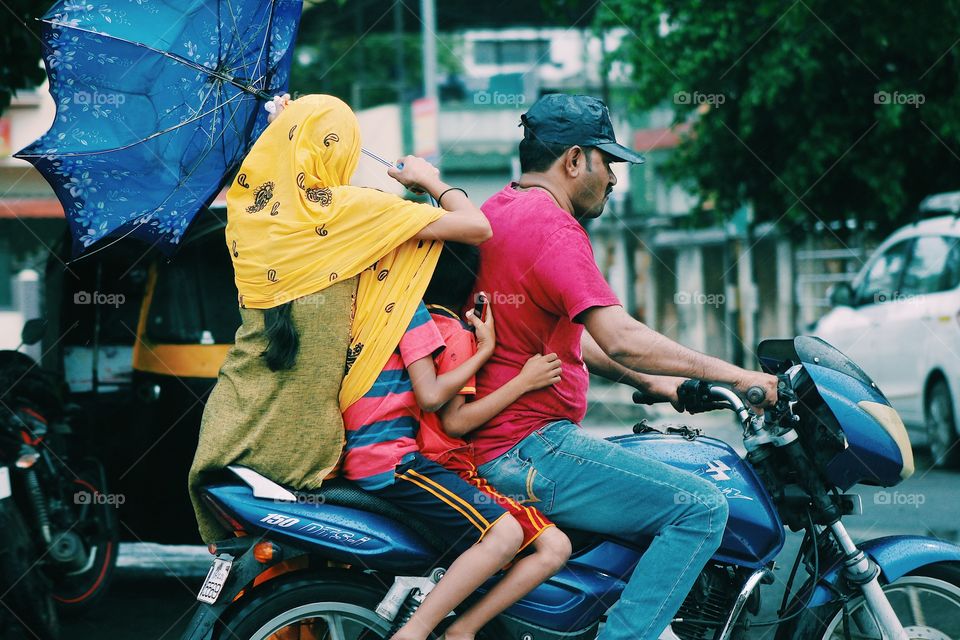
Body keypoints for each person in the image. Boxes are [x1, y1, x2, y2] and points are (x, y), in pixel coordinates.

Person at [469, 94, 779, 640]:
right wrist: (741, 375)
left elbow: (567, 341)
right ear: (572, 161)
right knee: (701, 508)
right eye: (606, 162)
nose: (613, 178)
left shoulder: (496, 212)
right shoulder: (556, 229)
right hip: (530, 446)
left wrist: (653, 383)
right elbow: (621, 336)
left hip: (498, 443)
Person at [188, 94, 491, 544]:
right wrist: (429, 181)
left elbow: (273, 178)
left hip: (231, 424)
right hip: (304, 445)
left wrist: (283, 128)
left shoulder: (249, 217)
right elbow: (477, 227)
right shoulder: (350, 210)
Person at [340, 241, 571, 640]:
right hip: (410, 462)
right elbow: (454, 422)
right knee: (548, 546)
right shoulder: (446, 331)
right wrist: (514, 372)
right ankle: (447, 631)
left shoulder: (382, 318)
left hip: (378, 457)